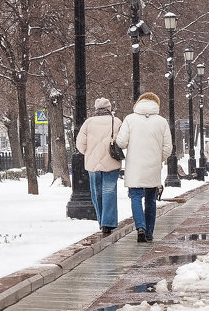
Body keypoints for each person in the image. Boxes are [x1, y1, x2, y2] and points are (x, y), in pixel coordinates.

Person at [115, 92, 173, 243]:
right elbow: (168, 147)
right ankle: (149, 232)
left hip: (134, 165)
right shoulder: (162, 121)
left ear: (139, 103)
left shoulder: (130, 119)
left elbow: (121, 143)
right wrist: (158, 159)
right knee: (150, 198)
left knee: (135, 196)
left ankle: (140, 227)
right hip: (153, 166)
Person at [74, 98, 123, 235]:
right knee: (109, 191)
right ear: (109, 108)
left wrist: (89, 153)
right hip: (111, 162)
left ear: (96, 109)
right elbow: (122, 141)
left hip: (93, 164)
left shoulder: (88, 122)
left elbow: (80, 143)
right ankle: (109, 222)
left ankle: (101, 221)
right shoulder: (116, 121)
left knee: (96, 192)